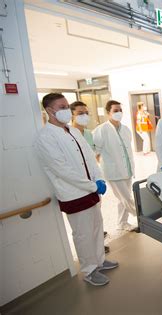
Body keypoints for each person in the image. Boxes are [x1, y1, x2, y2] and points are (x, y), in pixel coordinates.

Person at [34, 93, 118, 287]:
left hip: (90, 191)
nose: (66, 110)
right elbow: (63, 170)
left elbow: (89, 157)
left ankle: (100, 260)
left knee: (97, 227)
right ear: (49, 111)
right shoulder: (45, 137)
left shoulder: (73, 131)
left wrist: (99, 179)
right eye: (62, 107)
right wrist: (91, 185)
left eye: (66, 106)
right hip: (73, 194)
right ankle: (89, 270)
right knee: (82, 234)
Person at [70, 100, 110, 253]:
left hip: (93, 179)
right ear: (71, 115)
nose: (84, 116)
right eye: (80, 113)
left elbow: (94, 156)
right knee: (84, 222)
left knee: (96, 212)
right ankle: (93, 249)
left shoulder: (88, 133)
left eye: (86, 113)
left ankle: (98, 244)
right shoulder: (69, 134)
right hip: (80, 183)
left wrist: (98, 176)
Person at [93, 100, 137, 231]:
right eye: (115, 111)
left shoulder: (126, 129)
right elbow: (95, 152)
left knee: (122, 199)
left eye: (120, 110)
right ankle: (142, 216)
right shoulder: (101, 130)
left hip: (127, 169)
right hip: (113, 171)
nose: (119, 113)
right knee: (126, 198)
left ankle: (122, 223)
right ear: (108, 113)